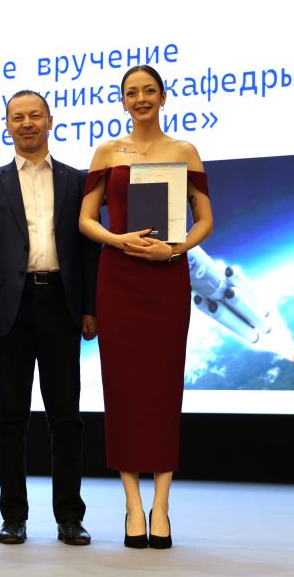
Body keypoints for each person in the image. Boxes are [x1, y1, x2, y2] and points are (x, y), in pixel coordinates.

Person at [78, 65, 214, 549]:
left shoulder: (184, 151)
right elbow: (86, 219)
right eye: (132, 92)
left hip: (166, 278)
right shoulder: (107, 152)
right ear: (123, 101)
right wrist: (119, 240)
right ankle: (133, 505)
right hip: (118, 279)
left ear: (163, 97)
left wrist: (176, 249)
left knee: (162, 390)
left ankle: (162, 506)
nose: (141, 99)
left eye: (149, 91)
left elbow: (205, 219)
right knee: (123, 391)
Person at [0, 90, 99, 545]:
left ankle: (70, 517)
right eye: (18, 117)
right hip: (11, 308)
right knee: (10, 417)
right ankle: (13, 517)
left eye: (35, 115)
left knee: (66, 417)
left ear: (50, 121)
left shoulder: (78, 181)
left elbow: (89, 250)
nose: (27, 123)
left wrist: (90, 307)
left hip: (61, 303)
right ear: (7, 125)